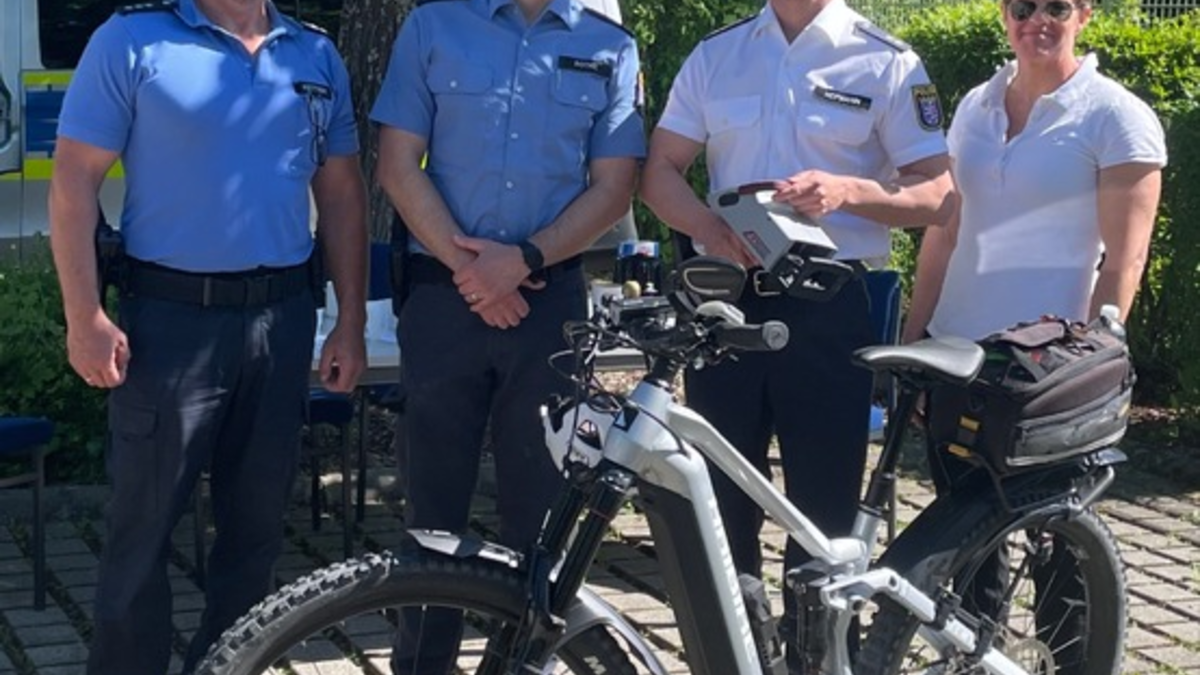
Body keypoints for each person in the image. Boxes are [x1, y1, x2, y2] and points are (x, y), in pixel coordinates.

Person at [47, 0, 368, 673]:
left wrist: (352, 320)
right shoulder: (132, 40)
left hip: (281, 321)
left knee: (253, 537)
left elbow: (340, 194)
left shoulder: (313, 54)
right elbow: (75, 179)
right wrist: (84, 316)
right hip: (168, 324)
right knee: (142, 536)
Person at [639, 0, 954, 663]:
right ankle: (738, 655)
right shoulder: (716, 54)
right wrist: (707, 229)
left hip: (829, 306)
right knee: (721, 507)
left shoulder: (886, 60)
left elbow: (938, 195)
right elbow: (659, 170)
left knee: (823, 512)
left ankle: (820, 657)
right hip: (729, 305)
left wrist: (847, 191)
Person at [369, 0, 644, 670]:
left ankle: (523, 662)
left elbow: (614, 188)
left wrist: (520, 261)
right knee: (430, 515)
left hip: (548, 302)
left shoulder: (610, 46)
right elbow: (397, 163)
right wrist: (473, 271)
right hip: (443, 299)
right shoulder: (433, 26)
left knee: (541, 515)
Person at [904, 0, 1166, 347]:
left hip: (1045, 361)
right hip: (949, 346)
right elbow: (945, 233)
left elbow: (1125, 261)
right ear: (1004, 15)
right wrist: (910, 339)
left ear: (1084, 16)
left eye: (1057, 8)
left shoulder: (1118, 117)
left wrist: (1085, 360)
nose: (1038, 20)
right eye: (1023, 8)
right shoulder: (974, 106)